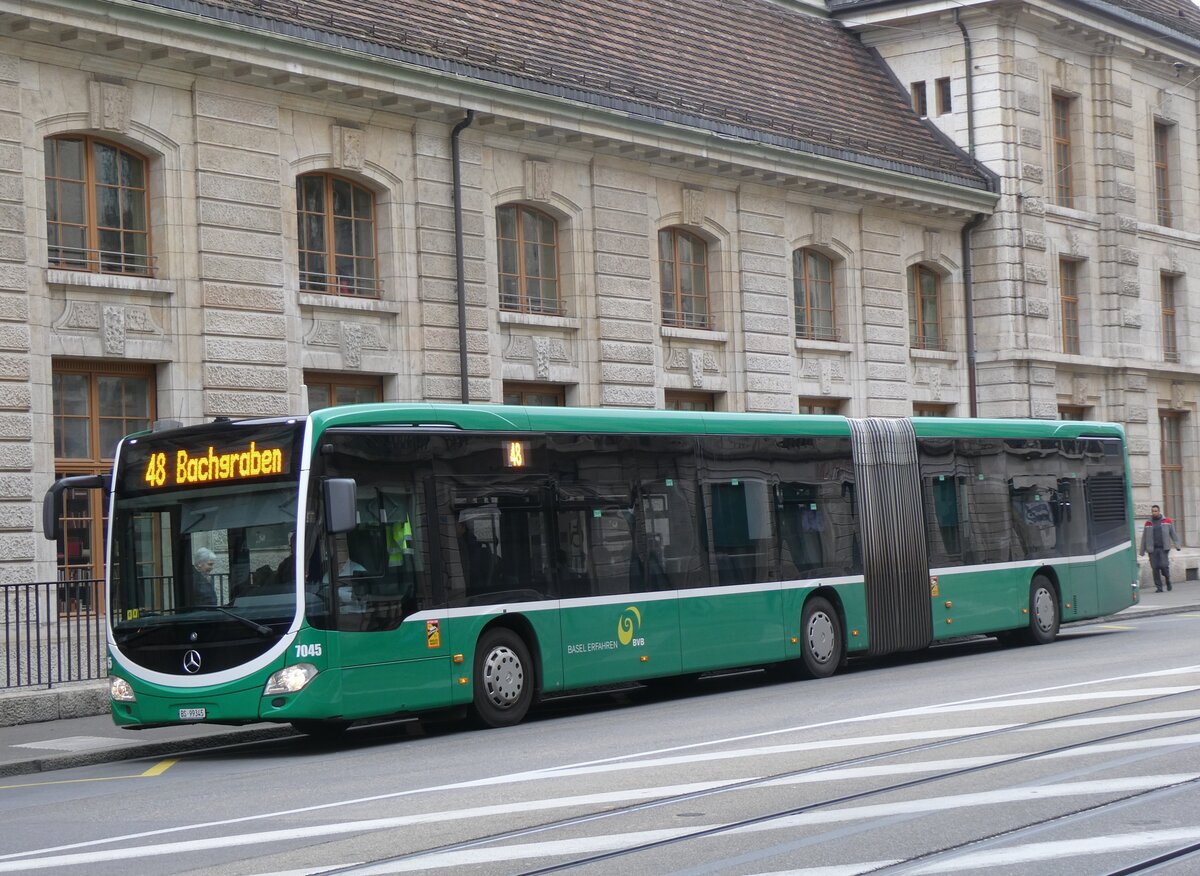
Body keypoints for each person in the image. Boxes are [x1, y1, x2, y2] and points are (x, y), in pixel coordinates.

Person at [1140, 504, 1182, 592]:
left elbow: (1173, 533)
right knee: (1155, 568)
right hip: (1152, 549)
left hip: (1163, 548)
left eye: (1155, 511)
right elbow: (1144, 537)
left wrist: (1177, 545)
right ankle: (1159, 587)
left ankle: (1167, 579)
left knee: (1164, 566)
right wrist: (1142, 550)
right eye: (1152, 511)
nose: (1154, 512)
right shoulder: (1148, 523)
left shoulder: (1166, 521)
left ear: (1159, 511)